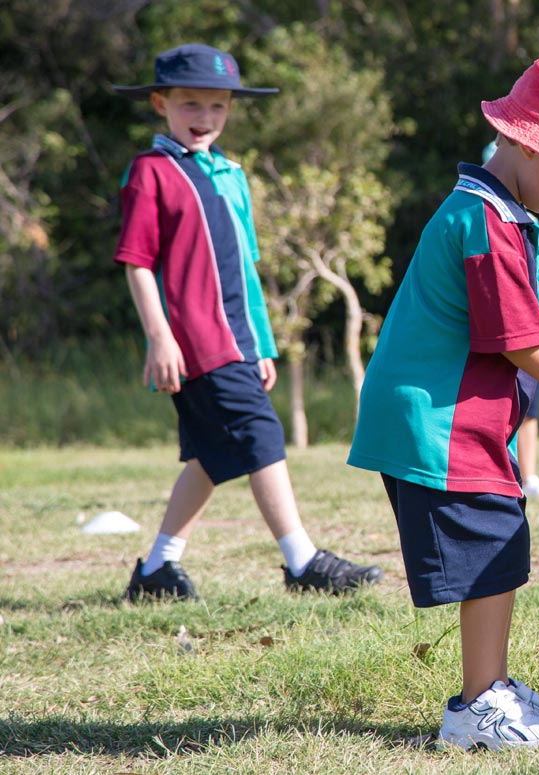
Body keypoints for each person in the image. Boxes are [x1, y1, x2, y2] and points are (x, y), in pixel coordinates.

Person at [348, 49, 539, 751]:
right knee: (494, 550)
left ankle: (493, 689)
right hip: (435, 417)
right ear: (527, 141)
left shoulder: (518, 221)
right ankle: (475, 708)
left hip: (470, 420)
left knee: (503, 545)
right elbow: (521, 343)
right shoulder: (483, 223)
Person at [112, 44, 384, 602]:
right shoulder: (151, 173)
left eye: (216, 106)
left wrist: (261, 343)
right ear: (161, 103)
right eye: (189, 104)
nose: (203, 117)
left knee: (213, 454)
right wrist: (159, 336)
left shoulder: (231, 175)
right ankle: (302, 561)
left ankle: (157, 570)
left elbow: (246, 271)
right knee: (261, 435)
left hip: (238, 339)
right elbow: (138, 262)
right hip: (195, 343)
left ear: (229, 110)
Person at [485, 136, 539, 501]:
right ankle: (516, 472)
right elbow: (514, 341)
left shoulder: (529, 229)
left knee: (528, 410)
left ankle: (526, 475)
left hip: (535, 334)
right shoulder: (489, 224)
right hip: (520, 343)